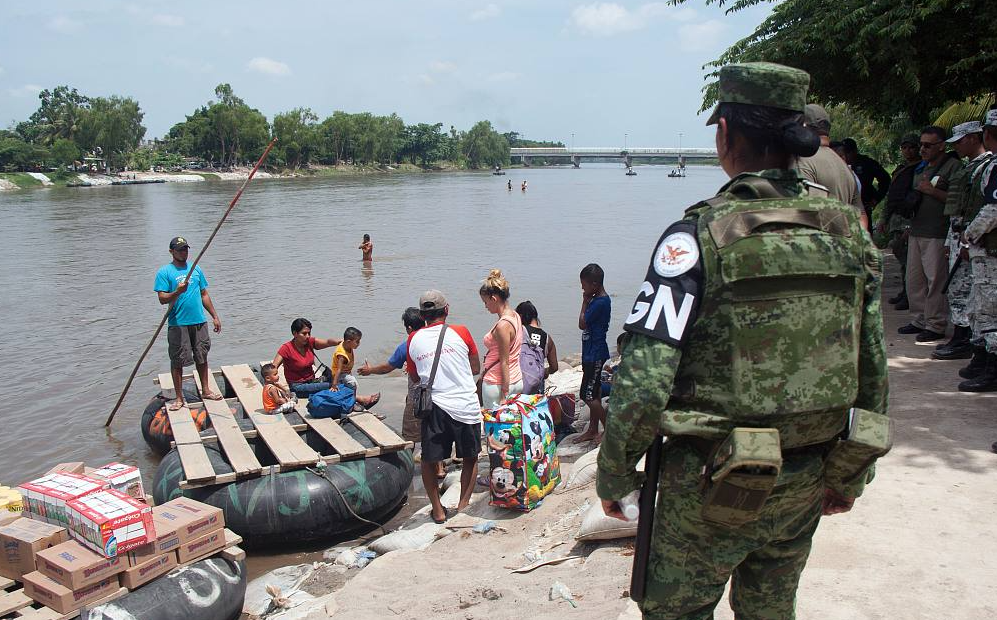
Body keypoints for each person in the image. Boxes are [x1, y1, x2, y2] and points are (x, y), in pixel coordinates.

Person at [597, 62, 889, 620]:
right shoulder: (846, 229)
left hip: (706, 485)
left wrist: (615, 474)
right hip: (806, 475)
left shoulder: (697, 234)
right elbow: (871, 362)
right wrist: (851, 472)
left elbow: (644, 377)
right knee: (772, 611)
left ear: (724, 134)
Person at [406, 290, 482, 523]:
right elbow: (475, 367)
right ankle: (462, 506)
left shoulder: (413, 339)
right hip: (465, 405)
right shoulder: (461, 332)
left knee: (430, 460)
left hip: (434, 407)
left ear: (421, 314)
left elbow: (416, 377)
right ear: (446, 310)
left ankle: (438, 511)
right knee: (470, 457)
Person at [933, 122, 993, 361]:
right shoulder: (972, 167)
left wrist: (968, 240)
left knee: (969, 293)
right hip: (961, 235)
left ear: (974, 138)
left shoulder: (987, 166)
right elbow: (959, 211)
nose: (956, 146)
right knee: (959, 290)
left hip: (975, 239)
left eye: (960, 141)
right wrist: (952, 240)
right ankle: (962, 337)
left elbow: (985, 210)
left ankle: (967, 341)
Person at [898, 126, 962, 342]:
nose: (922, 149)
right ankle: (919, 319)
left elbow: (958, 201)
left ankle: (936, 323)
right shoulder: (921, 168)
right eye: (921, 145)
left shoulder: (953, 167)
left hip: (937, 231)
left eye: (927, 145)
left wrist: (932, 191)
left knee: (936, 279)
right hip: (917, 229)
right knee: (914, 279)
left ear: (942, 145)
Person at [154, 236, 223, 410]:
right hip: (178, 323)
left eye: (185, 249)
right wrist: (176, 292)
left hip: (199, 321)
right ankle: (179, 398)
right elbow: (162, 299)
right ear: (172, 252)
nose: (183, 252)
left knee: (202, 355)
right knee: (178, 360)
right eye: (179, 250)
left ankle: (206, 390)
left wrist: (214, 316)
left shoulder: (196, 269)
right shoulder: (165, 272)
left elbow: (204, 294)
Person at [962, 109, 997, 393]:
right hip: (987, 250)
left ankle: (992, 369)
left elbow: (992, 211)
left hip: (991, 252)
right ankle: (984, 360)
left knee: (990, 312)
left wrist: (968, 235)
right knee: (980, 308)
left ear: (986, 135)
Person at [358, 307, 430, 445]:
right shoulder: (435, 338)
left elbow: (387, 367)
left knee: (410, 435)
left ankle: (413, 462)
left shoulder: (407, 345)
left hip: (419, 395)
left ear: (409, 328)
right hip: (440, 391)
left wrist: (370, 370)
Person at [797, 104, 865, 225]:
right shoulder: (846, 168)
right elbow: (861, 217)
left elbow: (803, 214)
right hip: (843, 240)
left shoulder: (803, 161)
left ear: (803, 126)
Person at [879, 135, 924, 311]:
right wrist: (884, 219)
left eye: (911, 147)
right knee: (900, 254)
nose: (908, 151)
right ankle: (905, 291)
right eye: (904, 147)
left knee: (908, 260)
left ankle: (909, 294)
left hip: (908, 219)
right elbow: (891, 196)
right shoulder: (901, 169)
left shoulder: (920, 169)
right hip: (896, 219)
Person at [479, 269, 524, 409]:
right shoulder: (515, 315)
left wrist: (504, 395)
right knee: (512, 426)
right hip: (516, 378)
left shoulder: (503, 326)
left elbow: (504, 361)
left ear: (494, 299)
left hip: (498, 384)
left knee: (496, 428)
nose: (485, 306)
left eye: (485, 302)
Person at [576, 263, 611, 443]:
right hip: (591, 352)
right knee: (595, 392)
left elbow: (582, 323)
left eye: (584, 285)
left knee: (587, 394)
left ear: (594, 285)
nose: (583, 288)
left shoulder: (600, 302)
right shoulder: (597, 300)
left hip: (595, 353)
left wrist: (584, 302)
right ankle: (592, 429)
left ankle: (608, 430)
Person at [271, 318, 342, 397]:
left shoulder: (310, 343)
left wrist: (341, 342)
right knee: (332, 385)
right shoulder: (286, 348)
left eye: (309, 333)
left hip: (312, 382)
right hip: (297, 387)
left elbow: (328, 342)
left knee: (340, 380)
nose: (307, 336)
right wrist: (275, 387)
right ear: (295, 333)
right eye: (304, 333)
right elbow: (273, 367)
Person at [842, 137, 892, 225]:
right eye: (844, 152)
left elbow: (885, 179)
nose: (846, 155)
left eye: (848, 152)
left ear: (855, 151)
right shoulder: (839, 163)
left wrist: (876, 199)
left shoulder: (866, 163)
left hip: (862, 207)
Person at [514, 300, 559, 393]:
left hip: (518, 381)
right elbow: (554, 367)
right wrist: (542, 372)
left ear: (521, 316)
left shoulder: (520, 331)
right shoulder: (547, 338)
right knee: (535, 407)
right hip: (537, 385)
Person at [330, 327, 362, 391]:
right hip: (339, 375)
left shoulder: (346, 344)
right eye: (357, 342)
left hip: (345, 372)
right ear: (348, 342)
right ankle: (353, 398)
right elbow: (339, 370)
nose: (359, 344)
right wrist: (334, 384)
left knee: (350, 380)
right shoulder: (342, 355)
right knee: (353, 383)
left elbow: (342, 340)